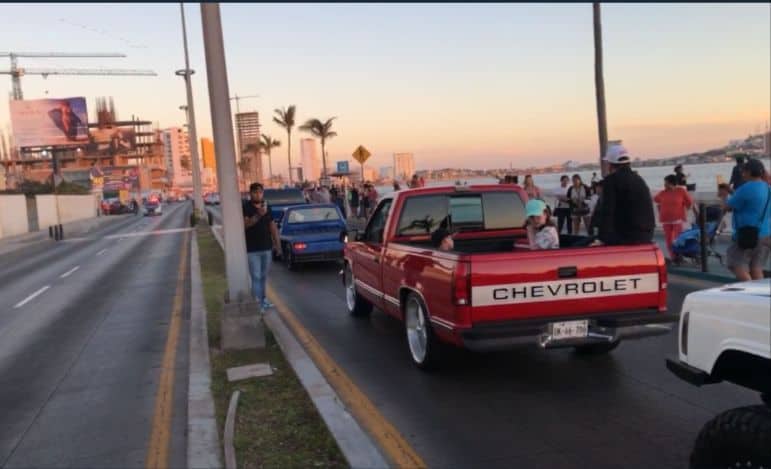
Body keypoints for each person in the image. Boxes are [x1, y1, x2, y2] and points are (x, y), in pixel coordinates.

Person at [721, 158, 771, 281]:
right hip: (765, 233)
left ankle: (749, 293)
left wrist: (724, 196)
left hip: (747, 234)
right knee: (756, 267)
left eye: (744, 171)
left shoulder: (745, 188)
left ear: (748, 172)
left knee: (737, 265)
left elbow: (727, 207)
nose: (743, 173)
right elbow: (749, 201)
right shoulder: (768, 188)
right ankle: (759, 296)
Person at [595, 145, 655, 246]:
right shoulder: (638, 179)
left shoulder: (611, 180)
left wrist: (602, 238)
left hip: (626, 236)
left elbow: (607, 210)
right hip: (646, 235)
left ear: (610, 164)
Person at [242, 182, 281, 309]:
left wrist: (277, 244)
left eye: (260, 192)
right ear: (251, 193)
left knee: (264, 276)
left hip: (266, 247)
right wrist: (258, 214)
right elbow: (245, 225)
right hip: (252, 249)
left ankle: (263, 300)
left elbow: (272, 226)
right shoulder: (246, 207)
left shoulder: (267, 206)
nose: (258, 195)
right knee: (256, 276)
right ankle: (257, 304)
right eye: (255, 192)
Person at [654, 175, 695, 260]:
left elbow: (689, 202)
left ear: (671, 183)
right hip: (666, 219)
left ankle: (679, 256)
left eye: (666, 183)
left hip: (678, 219)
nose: (664, 185)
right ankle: (673, 257)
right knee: (668, 240)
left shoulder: (681, 191)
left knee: (677, 239)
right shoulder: (663, 192)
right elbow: (656, 199)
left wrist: (686, 208)